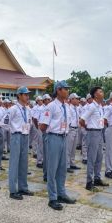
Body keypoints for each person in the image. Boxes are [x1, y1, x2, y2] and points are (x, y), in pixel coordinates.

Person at [39, 81, 76, 210]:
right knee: (52, 169)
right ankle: (52, 198)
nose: (68, 91)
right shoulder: (51, 106)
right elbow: (42, 126)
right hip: (54, 137)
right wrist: (51, 134)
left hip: (63, 137)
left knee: (62, 168)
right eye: (65, 89)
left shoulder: (66, 106)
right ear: (59, 90)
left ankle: (61, 193)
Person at [7, 87, 35, 200]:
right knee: (14, 163)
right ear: (19, 95)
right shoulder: (13, 109)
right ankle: (13, 190)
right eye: (25, 94)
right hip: (17, 135)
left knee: (24, 163)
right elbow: (5, 122)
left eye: (28, 94)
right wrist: (14, 130)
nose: (27, 96)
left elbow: (30, 122)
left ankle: (23, 187)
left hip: (25, 135)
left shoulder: (28, 109)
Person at [80, 87, 110, 191]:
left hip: (100, 133)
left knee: (99, 157)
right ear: (95, 95)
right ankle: (89, 182)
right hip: (93, 133)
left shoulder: (100, 106)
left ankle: (97, 178)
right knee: (91, 158)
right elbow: (82, 120)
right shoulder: (92, 107)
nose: (103, 93)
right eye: (100, 91)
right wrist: (88, 128)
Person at [66, 93, 81, 173]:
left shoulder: (76, 108)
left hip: (76, 129)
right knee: (68, 148)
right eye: (76, 98)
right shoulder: (69, 108)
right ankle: (67, 165)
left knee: (73, 148)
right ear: (72, 99)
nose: (78, 100)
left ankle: (72, 163)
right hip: (71, 129)